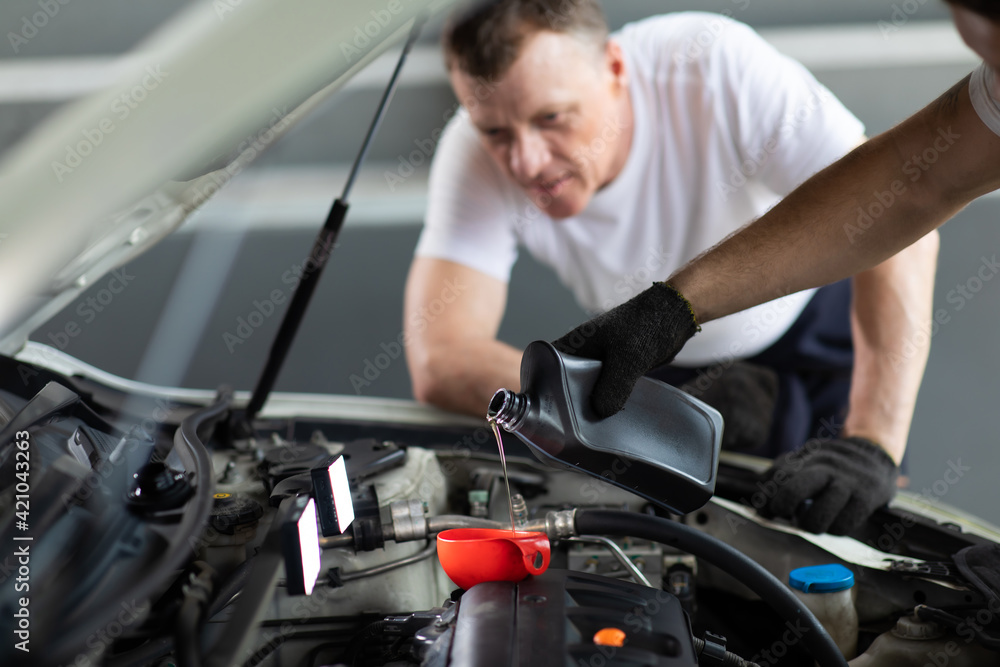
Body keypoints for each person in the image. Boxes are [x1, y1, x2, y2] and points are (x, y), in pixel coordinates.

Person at [403, 0, 939, 535]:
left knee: (856, 540)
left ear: (614, 68)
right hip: (652, 360)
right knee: (702, 558)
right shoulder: (470, 152)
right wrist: (632, 403)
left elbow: (895, 219)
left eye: (551, 118)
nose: (525, 162)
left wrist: (872, 443)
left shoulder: (712, 65)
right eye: (494, 132)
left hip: (816, 340)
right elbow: (441, 356)